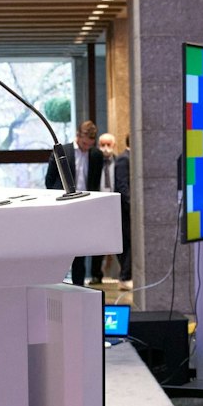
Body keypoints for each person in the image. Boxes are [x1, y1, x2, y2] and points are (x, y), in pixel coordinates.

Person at [46, 121, 109, 284]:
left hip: (84, 208)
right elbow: (49, 181)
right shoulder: (63, 152)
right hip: (64, 207)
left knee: (80, 252)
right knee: (62, 249)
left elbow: (95, 182)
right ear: (78, 136)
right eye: (83, 143)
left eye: (89, 145)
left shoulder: (96, 155)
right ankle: (57, 283)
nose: (86, 147)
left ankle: (78, 286)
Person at [99, 132, 131, 283]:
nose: (105, 148)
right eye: (102, 145)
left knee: (121, 241)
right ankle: (97, 274)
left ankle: (123, 274)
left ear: (114, 145)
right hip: (99, 206)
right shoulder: (95, 162)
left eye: (108, 145)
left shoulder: (118, 160)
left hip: (116, 206)